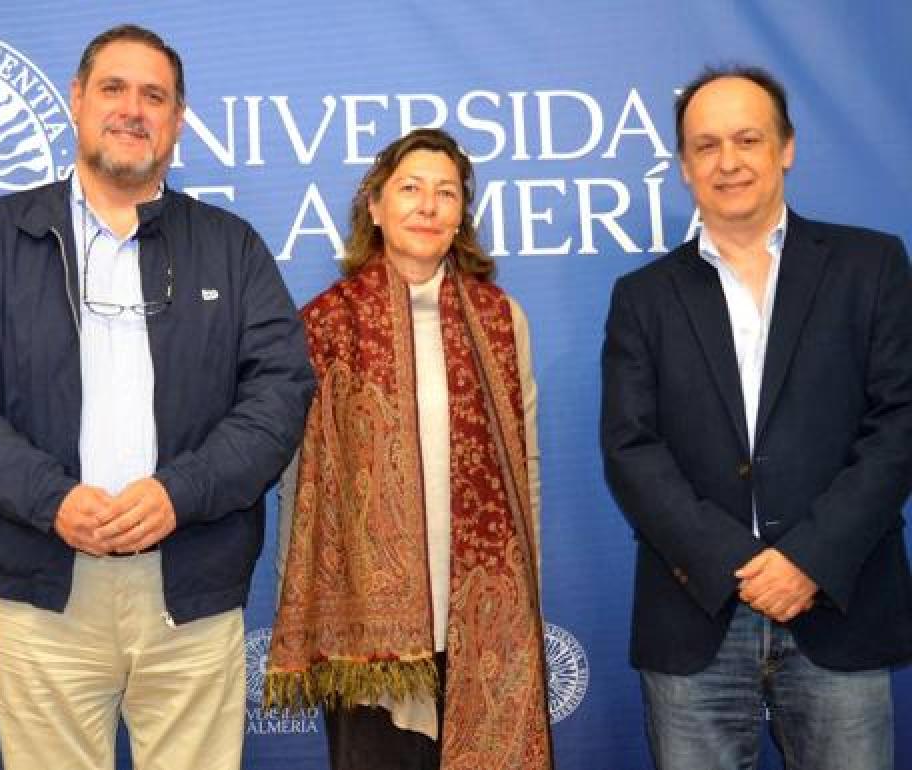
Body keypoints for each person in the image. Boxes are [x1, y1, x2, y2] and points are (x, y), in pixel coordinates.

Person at [0, 23, 314, 770]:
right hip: (44, 585)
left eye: (153, 96)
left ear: (177, 120)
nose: (132, 109)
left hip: (191, 586)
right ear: (77, 100)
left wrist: (180, 493)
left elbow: (280, 392)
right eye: (114, 89)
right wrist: (51, 498)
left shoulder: (231, 246)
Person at [601, 65, 912, 770]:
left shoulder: (870, 264)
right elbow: (631, 449)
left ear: (787, 147)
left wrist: (808, 560)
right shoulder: (642, 296)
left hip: (838, 603)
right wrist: (735, 564)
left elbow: (899, 424)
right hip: (695, 612)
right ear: (684, 165)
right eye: (706, 146)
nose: (728, 161)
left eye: (747, 139)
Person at [267, 128, 552, 770]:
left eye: (445, 193)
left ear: (461, 215)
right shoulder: (325, 324)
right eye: (410, 189)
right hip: (363, 633)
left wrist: (526, 591)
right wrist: (299, 602)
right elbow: (299, 482)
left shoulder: (501, 321)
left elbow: (525, 465)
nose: (427, 206)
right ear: (375, 206)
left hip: (482, 617)